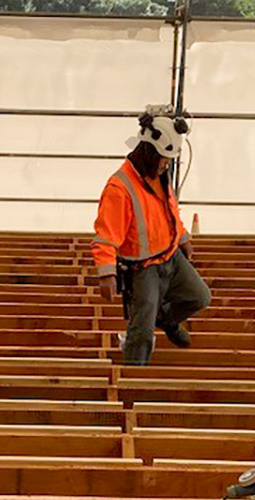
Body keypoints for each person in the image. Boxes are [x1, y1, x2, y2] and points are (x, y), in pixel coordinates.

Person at [91, 111, 211, 366]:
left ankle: (166, 320)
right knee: (142, 331)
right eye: (164, 160)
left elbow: (168, 210)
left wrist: (182, 236)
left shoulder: (160, 176)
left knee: (199, 296)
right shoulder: (120, 187)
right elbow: (106, 235)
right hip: (142, 270)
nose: (167, 164)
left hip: (171, 257)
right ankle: (134, 378)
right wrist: (106, 273)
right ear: (150, 152)